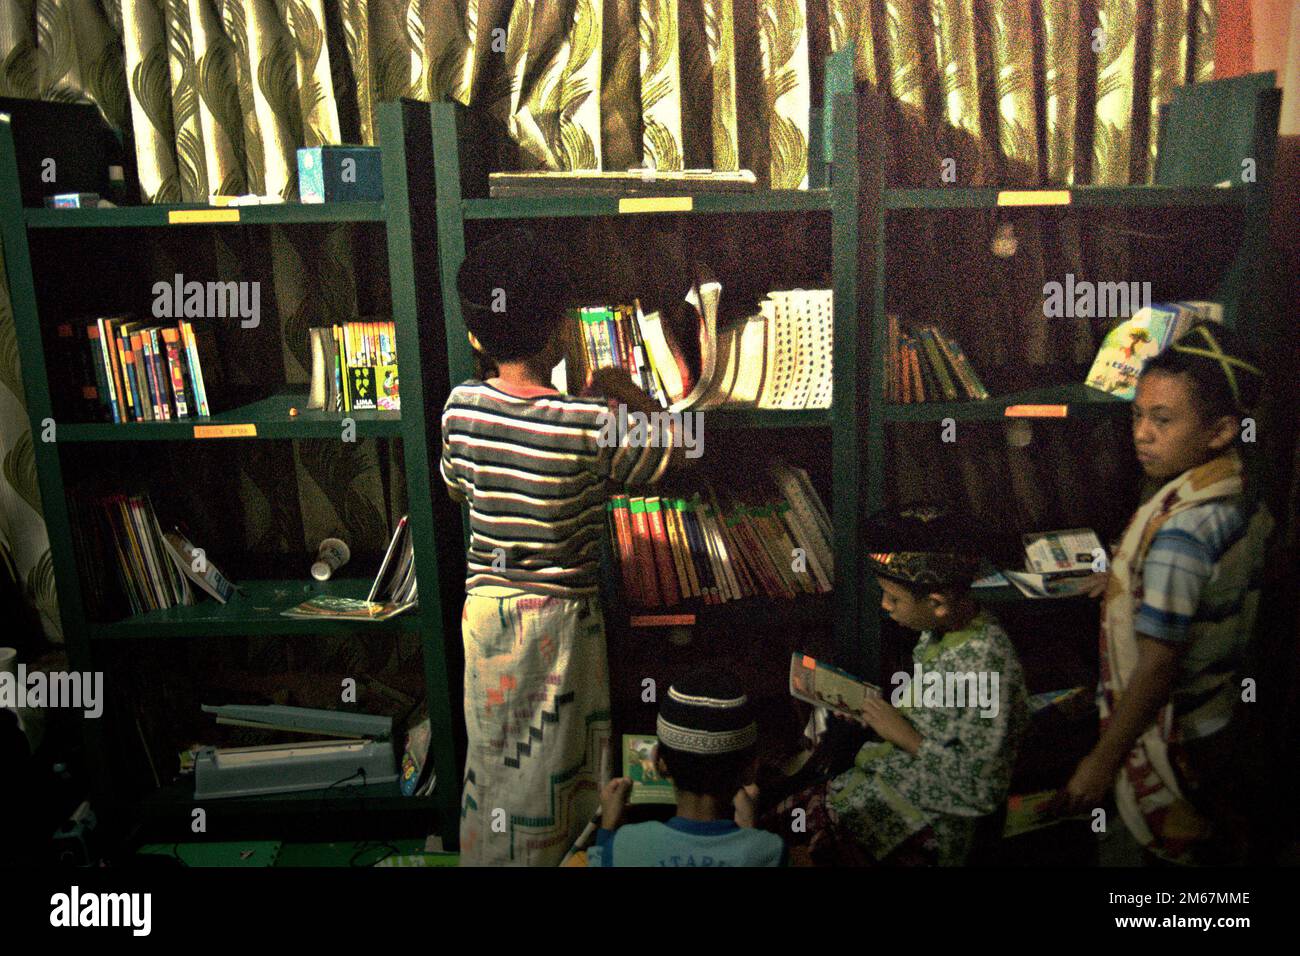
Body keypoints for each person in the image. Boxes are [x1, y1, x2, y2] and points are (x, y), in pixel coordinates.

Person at [442, 227, 686, 865]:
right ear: (560, 333)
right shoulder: (590, 424)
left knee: (494, 755)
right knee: (566, 762)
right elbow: (672, 449)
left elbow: (457, 488)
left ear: (474, 336)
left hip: (487, 617)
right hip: (562, 622)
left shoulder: (459, 411)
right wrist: (627, 392)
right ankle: (573, 854)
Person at [1055, 322, 1272, 865]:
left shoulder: (1181, 530)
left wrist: (1101, 762)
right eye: (1137, 414)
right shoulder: (1234, 492)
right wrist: (1129, 582)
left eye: (1163, 419)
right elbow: (1213, 584)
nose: (1142, 433)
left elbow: (1157, 666)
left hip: (1171, 737)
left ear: (1221, 431)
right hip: (1217, 720)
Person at [768, 505, 1029, 865]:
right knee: (772, 819)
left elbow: (982, 789)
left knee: (781, 847)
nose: (885, 606)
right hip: (890, 781)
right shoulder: (939, 632)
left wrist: (904, 735)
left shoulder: (986, 664)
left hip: (925, 821)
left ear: (936, 603)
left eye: (894, 598)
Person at [589, 666, 786, 866]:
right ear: (751, 770)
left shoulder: (625, 844)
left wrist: (608, 828)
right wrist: (749, 835)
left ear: (658, 762)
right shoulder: (770, 851)